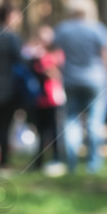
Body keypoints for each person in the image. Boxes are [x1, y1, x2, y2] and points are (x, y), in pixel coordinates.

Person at [54, 0, 107, 174]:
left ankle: (71, 162)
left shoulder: (62, 30)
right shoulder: (97, 29)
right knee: (95, 121)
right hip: (96, 80)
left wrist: (59, 72)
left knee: (71, 120)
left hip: (71, 80)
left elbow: (54, 54)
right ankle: (93, 163)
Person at [0, 5, 24, 170]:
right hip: (9, 86)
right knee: (6, 124)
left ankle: (0, 158)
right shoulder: (11, 37)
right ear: (8, 16)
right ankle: (3, 160)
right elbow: (20, 59)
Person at [23, 25, 66, 174]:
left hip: (53, 98)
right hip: (39, 98)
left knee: (54, 130)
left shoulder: (57, 55)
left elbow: (56, 73)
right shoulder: (33, 54)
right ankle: (39, 160)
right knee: (40, 130)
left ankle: (56, 159)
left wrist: (45, 65)